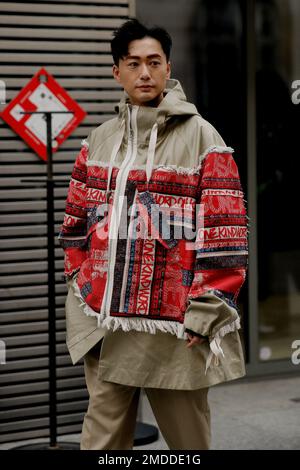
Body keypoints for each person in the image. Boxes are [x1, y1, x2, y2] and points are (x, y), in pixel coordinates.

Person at [58, 18, 248, 450]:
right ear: (117, 72)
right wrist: (80, 284)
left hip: (175, 330)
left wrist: (207, 309)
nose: (144, 72)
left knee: (188, 444)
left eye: (153, 62)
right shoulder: (99, 140)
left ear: (168, 68)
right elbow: (75, 224)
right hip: (104, 322)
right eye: (133, 63)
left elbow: (226, 235)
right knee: (101, 441)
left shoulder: (203, 138)